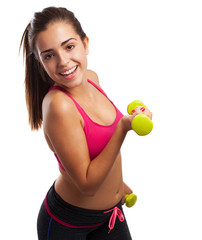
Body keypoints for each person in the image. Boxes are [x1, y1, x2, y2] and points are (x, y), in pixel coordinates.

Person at [20, 6, 152, 240]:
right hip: (67, 223)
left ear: (85, 43)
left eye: (69, 46)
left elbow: (95, 147)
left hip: (110, 214)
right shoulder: (59, 106)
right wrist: (123, 127)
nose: (63, 62)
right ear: (40, 61)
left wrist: (117, 185)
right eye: (49, 55)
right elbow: (87, 184)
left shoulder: (92, 79)